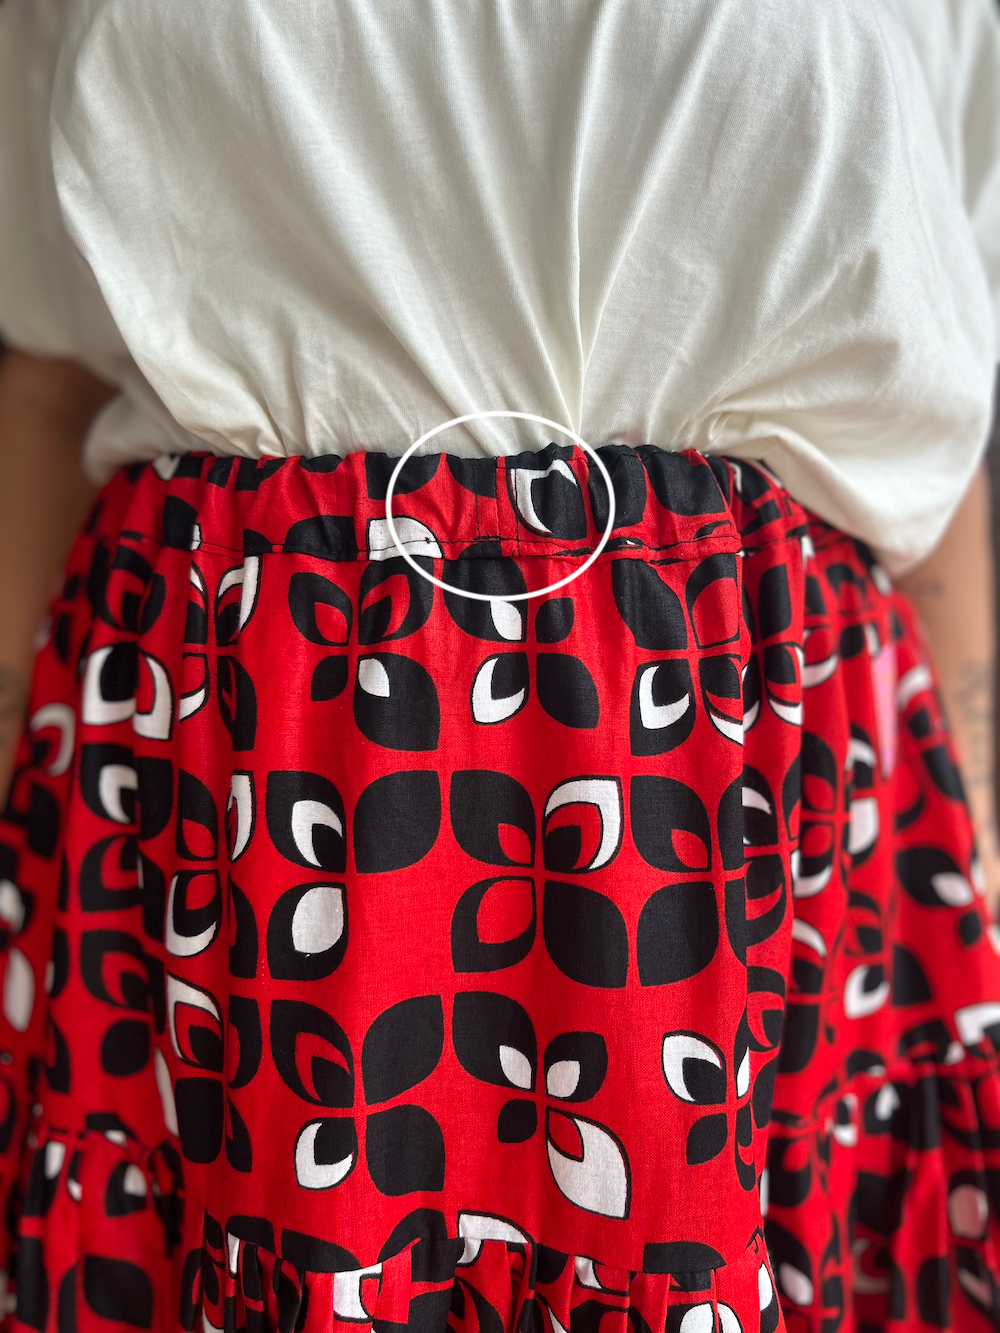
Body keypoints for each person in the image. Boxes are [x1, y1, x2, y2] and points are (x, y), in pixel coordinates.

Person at [2, 2, 1000, 1329]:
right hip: (230, 765)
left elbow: (934, 410)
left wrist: (974, 826)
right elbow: (54, 376)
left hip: (752, 769)